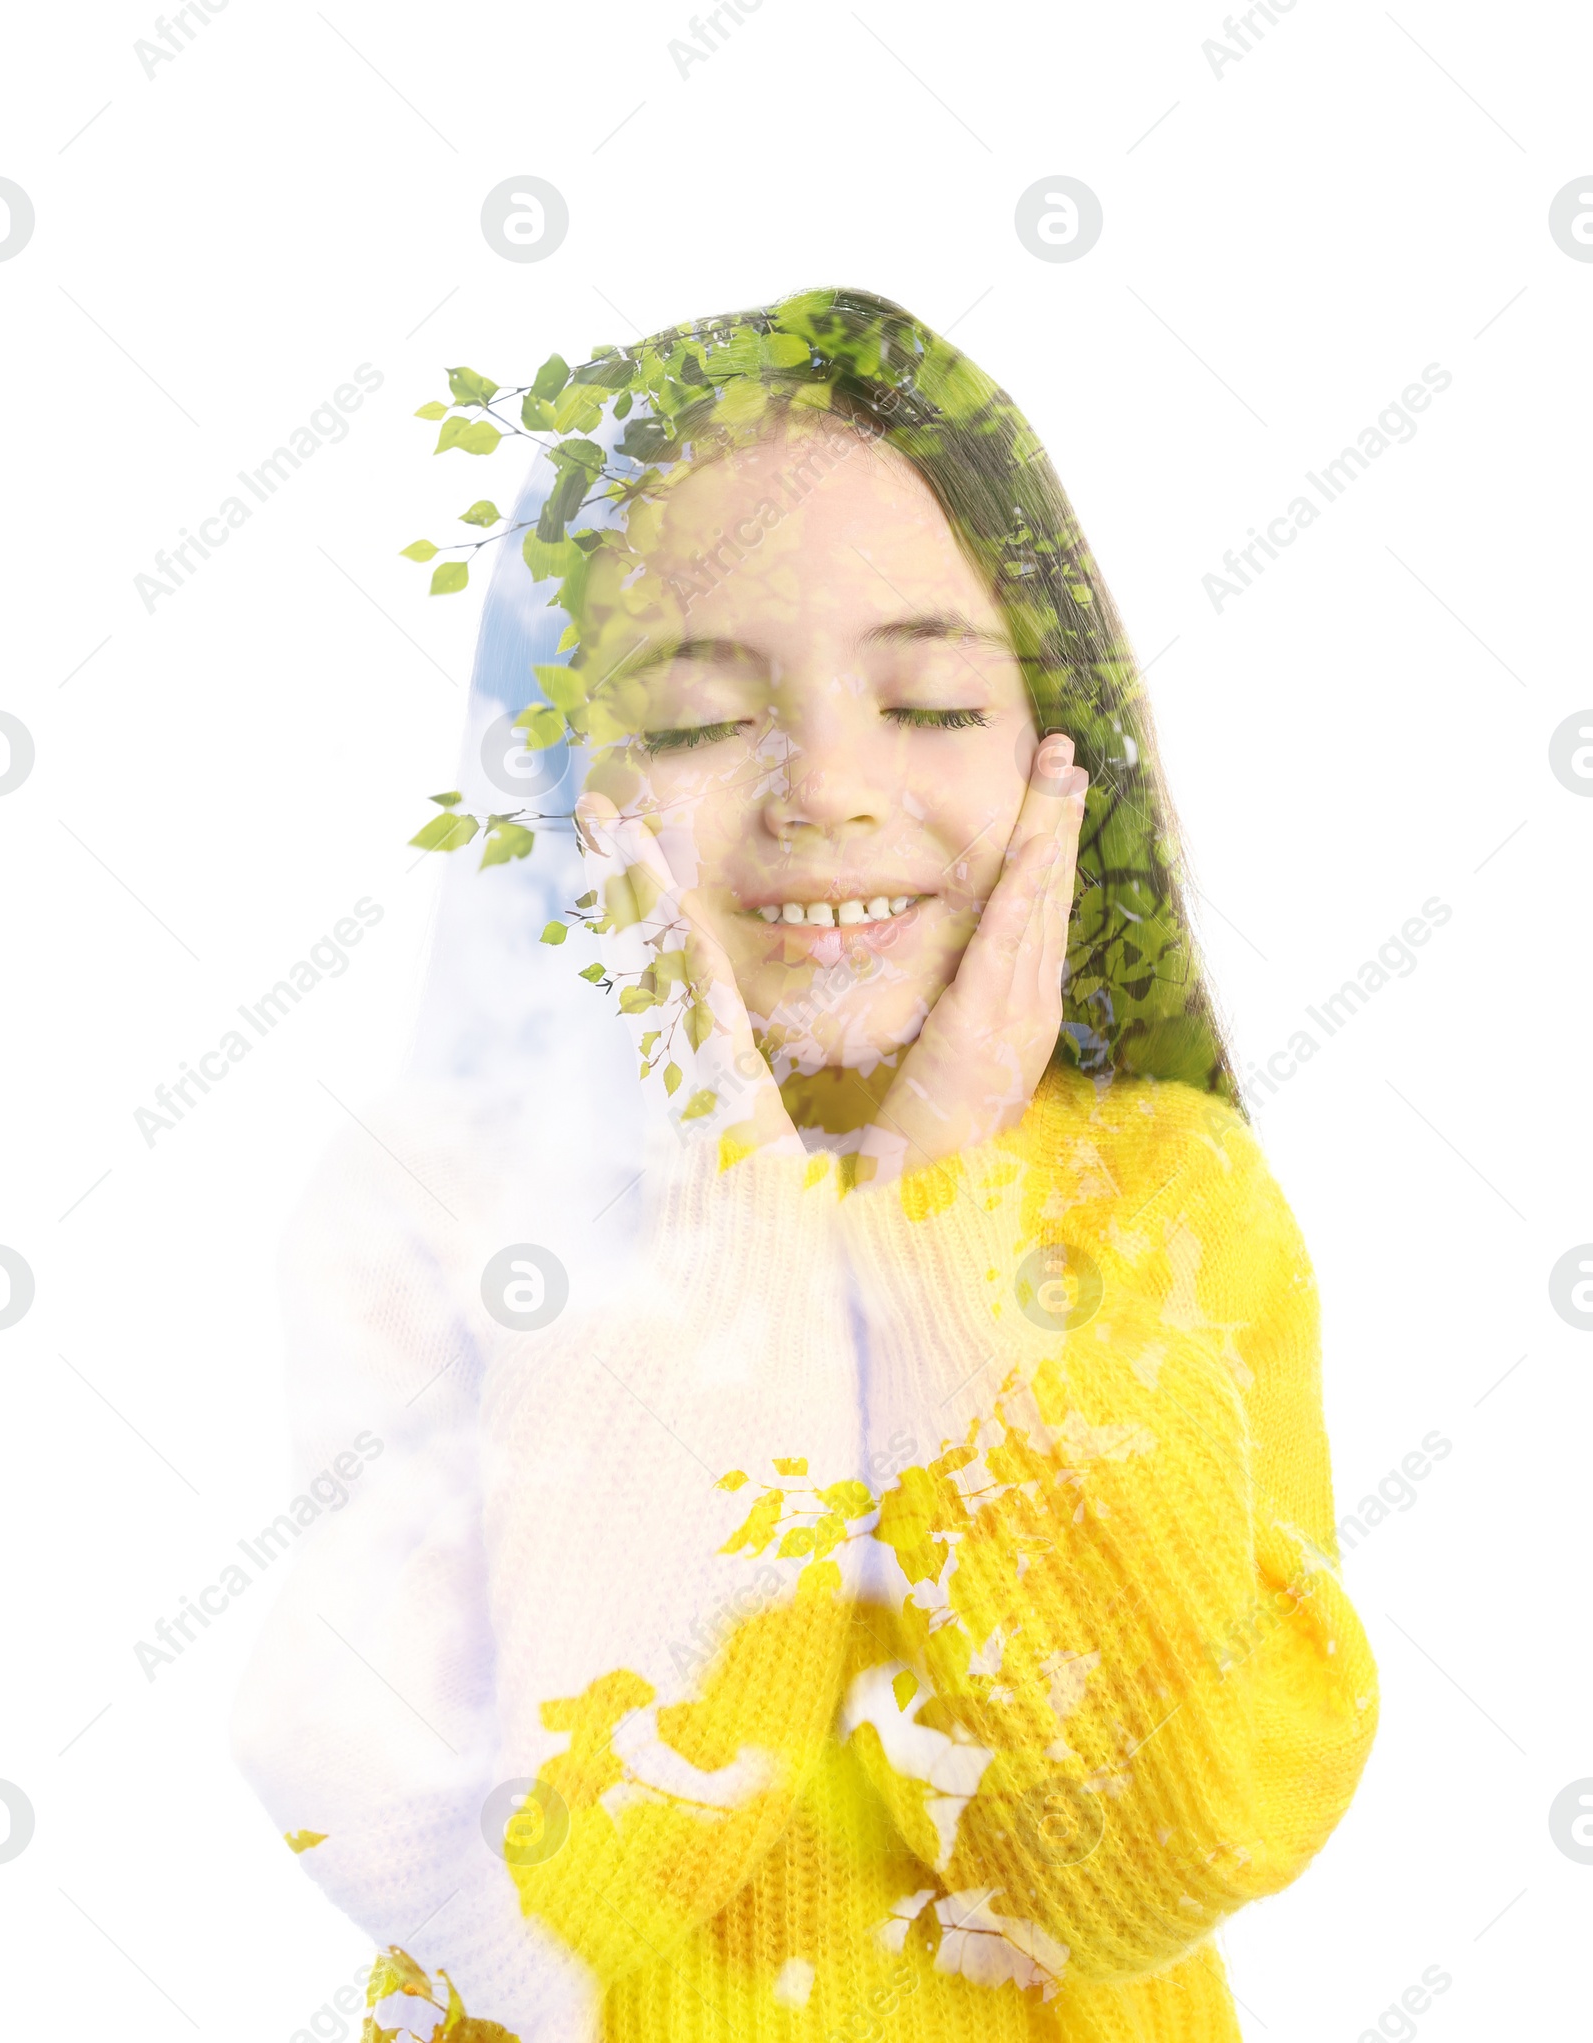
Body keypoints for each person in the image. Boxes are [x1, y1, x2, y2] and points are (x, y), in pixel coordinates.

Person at [233, 288, 1378, 2043]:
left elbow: (1155, 1850)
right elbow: (544, 1902)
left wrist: (933, 1214)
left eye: (926, 699)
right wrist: (740, 1250)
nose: (825, 785)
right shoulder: (443, 1213)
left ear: (1058, 756)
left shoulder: (1168, 1201)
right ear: (555, 784)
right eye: (695, 723)